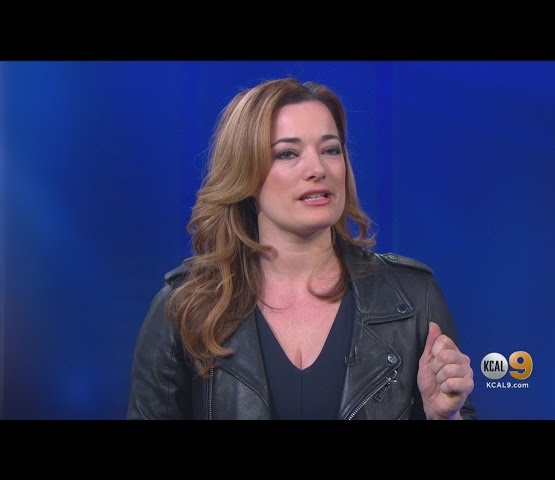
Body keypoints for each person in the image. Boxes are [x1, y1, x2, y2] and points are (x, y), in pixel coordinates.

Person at [127, 77, 477, 420]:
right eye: (288, 153)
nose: (317, 169)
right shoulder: (184, 307)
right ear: (245, 174)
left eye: (330, 150)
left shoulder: (413, 298)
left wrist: (443, 417)